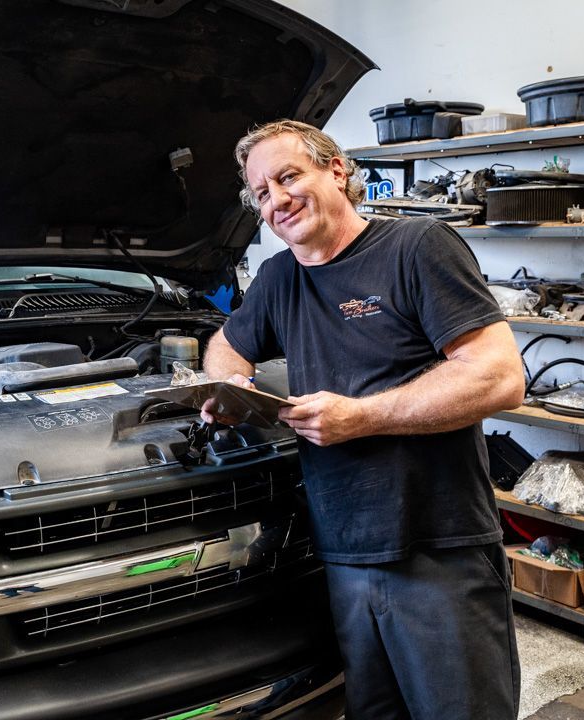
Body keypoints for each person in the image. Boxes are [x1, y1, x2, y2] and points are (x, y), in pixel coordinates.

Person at [201, 120, 526, 719]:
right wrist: (233, 385)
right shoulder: (279, 278)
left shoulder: (416, 247)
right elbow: (226, 342)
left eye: (289, 176)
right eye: (261, 192)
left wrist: (363, 417)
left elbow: (500, 375)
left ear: (338, 170)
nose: (277, 200)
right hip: (343, 553)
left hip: (437, 550)